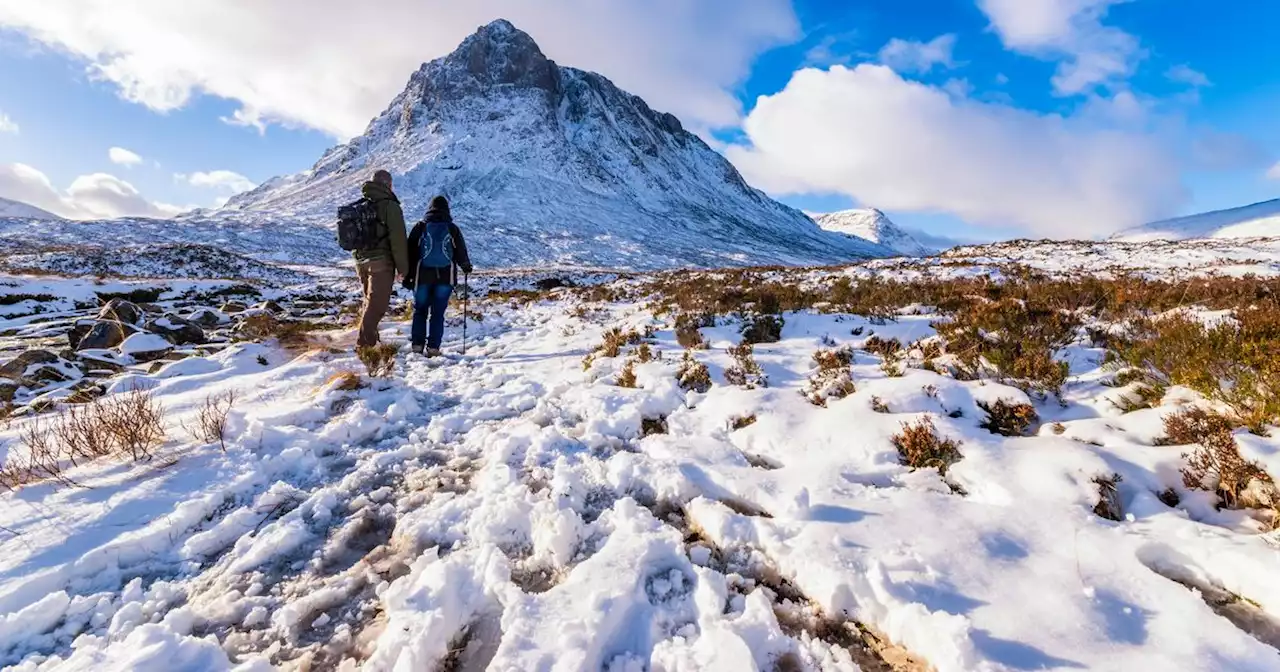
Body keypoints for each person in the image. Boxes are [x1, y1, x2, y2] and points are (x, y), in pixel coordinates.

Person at [405, 195, 473, 356]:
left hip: (422, 277)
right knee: (437, 313)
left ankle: (417, 346)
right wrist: (466, 266)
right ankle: (434, 347)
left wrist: (408, 275)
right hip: (445, 277)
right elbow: (460, 252)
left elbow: (410, 251)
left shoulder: (420, 227)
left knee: (420, 310)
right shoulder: (452, 228)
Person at [353, 170, 409, 348]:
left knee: (369, 302)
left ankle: (371, 340)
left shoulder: (361, 205)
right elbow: (398, 240)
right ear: (389, 185)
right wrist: (403, 268)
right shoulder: (390, 207)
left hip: (361, 261)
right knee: (378, 305)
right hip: (381, 262)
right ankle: (365, 346)